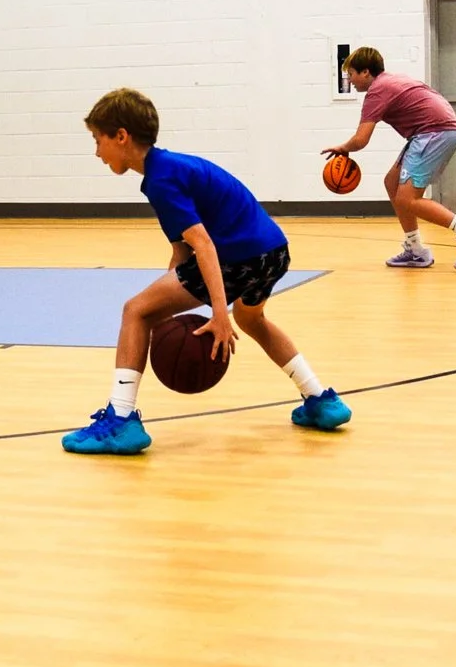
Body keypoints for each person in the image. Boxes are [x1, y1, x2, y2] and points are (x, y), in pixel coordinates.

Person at [64, 88, 351, 455]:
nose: (96, 152)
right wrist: (168, 305)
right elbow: (181, 255)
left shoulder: (161, 178)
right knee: (253, 320)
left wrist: (218, 313)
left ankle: (120, 420)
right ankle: (321, 400)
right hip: (273, 252)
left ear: (121, 136)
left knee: (134, 311)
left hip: (237, 257)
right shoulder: (169, 168)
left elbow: (204, 246)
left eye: (97, 139)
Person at [322, 46, 456, 269]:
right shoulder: (390, 81)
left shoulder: (377, 90)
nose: (350, 80)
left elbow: (361, 140)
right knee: (392, 182)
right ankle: (415, 250)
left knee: (408, 199)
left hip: (434, 132)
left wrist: (342, 148)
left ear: (365, 72)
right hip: (435, 131)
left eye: (351, 73)